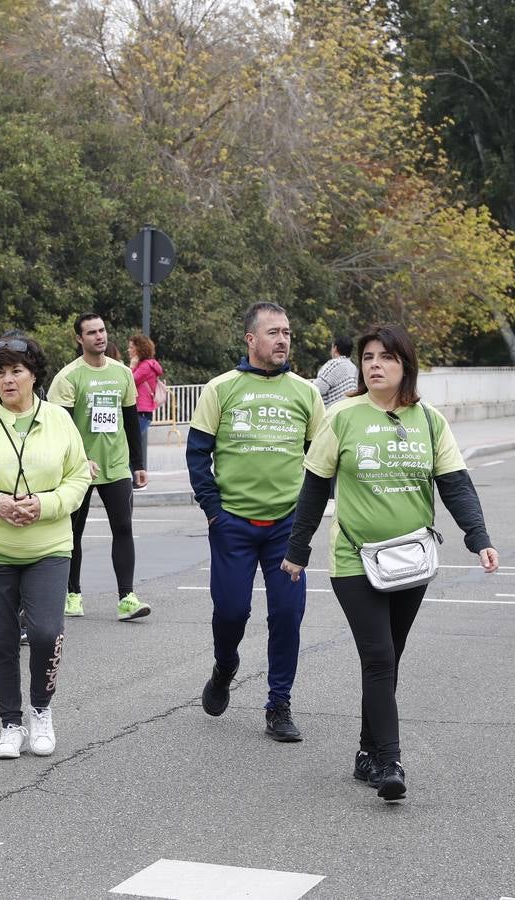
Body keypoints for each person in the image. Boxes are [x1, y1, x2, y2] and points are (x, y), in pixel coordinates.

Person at [282, 324, 498, 801]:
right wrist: (298, 551)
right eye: (368, 357)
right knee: (378, 656)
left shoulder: (430, 421)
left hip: (410, 559)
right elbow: (315, 485)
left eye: (386, 357)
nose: (374, 364)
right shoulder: (341, 417)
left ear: (406, 364)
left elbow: (456, 483)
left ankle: (366, 751)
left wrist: (477, 536)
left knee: (388, 658)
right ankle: (390, 762)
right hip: (354, 558)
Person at [0, 335, 89, 758]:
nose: (7, 380)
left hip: (49, 545)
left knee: (46, 632)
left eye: (16, 371)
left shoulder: (60, 420)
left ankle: (40, 711)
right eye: (0, 372)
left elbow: (79, 479)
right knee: (2, 640)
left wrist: (44, 504)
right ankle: (10, 723)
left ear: (33, 375)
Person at [187, 301, 323, 743]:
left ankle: (278, 705)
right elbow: (196, 454)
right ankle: (225, 666)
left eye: (287, 332)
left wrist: (306, 521)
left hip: (286, 527)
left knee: (287, 614)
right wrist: (213, 511)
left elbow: (321, 461)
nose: (282, 339)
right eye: (273, 332)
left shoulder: (306, 392)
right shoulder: (222, 388)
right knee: (231, 612)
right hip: (233, 525)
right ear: (251, 339)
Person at [48, 314, 149, 621]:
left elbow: (130, 419)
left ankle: (127, 597)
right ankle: (73, 594)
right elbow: (58, 426)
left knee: (123, 527)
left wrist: (138, 463)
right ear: (79, 339)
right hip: (78, 468)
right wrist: (79, 458)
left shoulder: (121, 373)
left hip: (115, 465)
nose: (99, 336)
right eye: (91, 332)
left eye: (102, 330)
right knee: (72, 533)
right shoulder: (68, 377)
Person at [128, 334, 163, 462]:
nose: (129, 350)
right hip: (140, 411)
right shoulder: (145, 365)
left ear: (139, 349)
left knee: (130, 446)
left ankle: (134, 479)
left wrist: (132, 366)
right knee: (131, 445)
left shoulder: (146, 366)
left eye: (131, 347)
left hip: (141, 412)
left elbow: (129, 382)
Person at [314, 335, 359, 408]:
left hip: (334, 413)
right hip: (351, 410)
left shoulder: (334, 364)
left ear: (335, 348)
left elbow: (317, 388)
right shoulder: (354, 368)